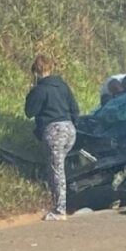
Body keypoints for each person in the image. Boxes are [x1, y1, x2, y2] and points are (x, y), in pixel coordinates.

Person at [24, 54, 80, 221]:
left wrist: (31, 93)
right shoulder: (63, 86)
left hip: (54, 131)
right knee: (58, 167)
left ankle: (59, 209)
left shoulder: (39, 90)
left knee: (57, 171)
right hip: (70, 130)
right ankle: (60, 200)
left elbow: (29, 112)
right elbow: (75, 109)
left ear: (35, 72)